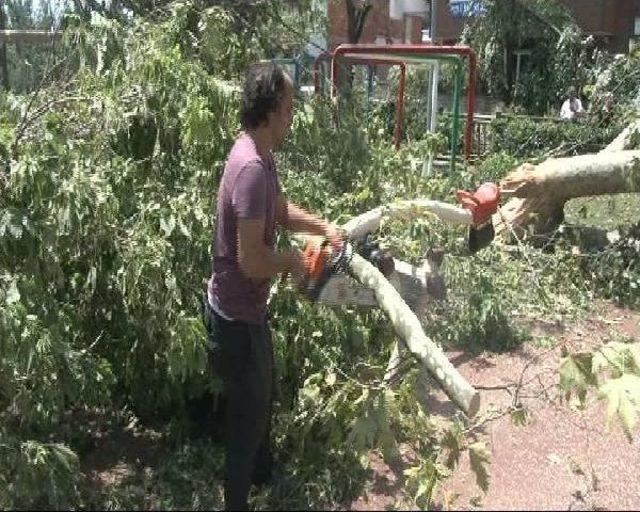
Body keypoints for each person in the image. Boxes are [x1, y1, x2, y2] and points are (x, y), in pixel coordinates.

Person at [202, 62, 343, 511]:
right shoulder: (250, 169)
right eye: (288, 109)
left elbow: (280, 211)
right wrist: (297, 262)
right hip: (234, 318)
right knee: (247, 425)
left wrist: (323, 227)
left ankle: (265, 478)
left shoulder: (261, 155)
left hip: (248, 315)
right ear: (268, 111)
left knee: (266, 393)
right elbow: (252, 261)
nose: (292, 118)